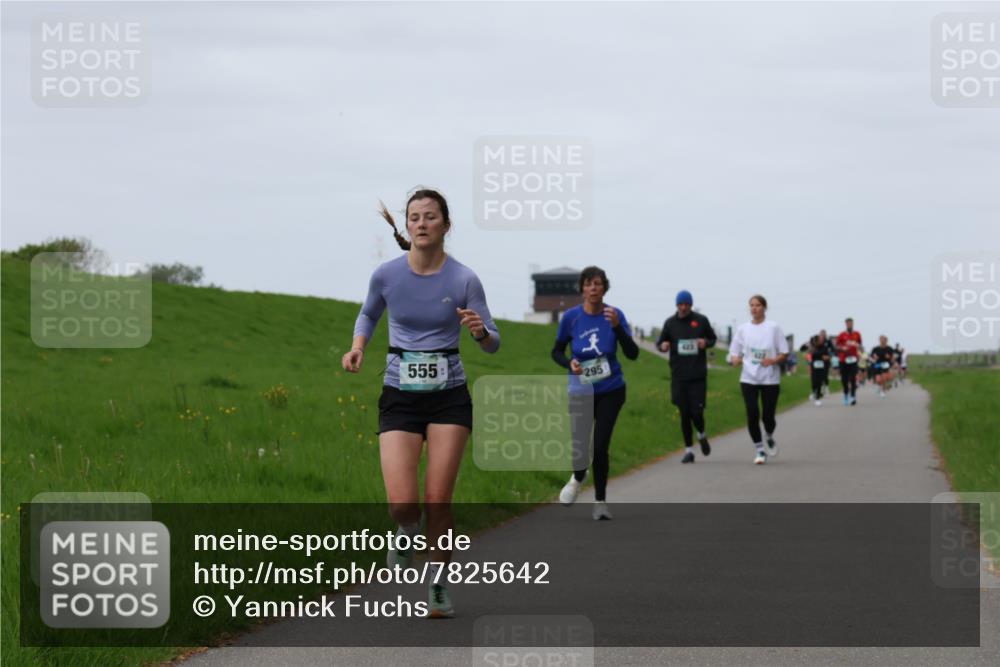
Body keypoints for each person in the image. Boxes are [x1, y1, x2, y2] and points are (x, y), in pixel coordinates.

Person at [343, 189, 501, 619]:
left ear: (446, 225)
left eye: (431, 216)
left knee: (438, 500)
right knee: (403, 504)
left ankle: (438, 584)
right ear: (407, 225)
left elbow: (493, 342)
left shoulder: (464, 279)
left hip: (449, 397)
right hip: (400, 396)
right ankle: (407, 529)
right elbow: (369, 314)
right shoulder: (387, 275)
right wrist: (358, 347)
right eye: (414, 217)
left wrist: (479, 332)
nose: (422, 223)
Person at [553, 266, 639, 519]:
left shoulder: (614, 315)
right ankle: (578, 476)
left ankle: (600, 502)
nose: (593, 288)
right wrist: (569, 362)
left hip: (611, 389)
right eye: (589, 284)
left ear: (604, 288)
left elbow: (633, 354)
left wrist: (617, 327)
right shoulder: (571, 318)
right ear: (582, 288)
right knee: (580, 447)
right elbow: (556, 351)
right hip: (580, 390)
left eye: (598, 284)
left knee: (600, 447)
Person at [656, 290, 718, 464]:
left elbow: (713, 338)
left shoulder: (701, 320)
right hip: (678, 375)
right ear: (676, 305)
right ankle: (689, 450)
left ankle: (701, 434)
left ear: (691, 305)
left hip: (697, 375)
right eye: (680, 304)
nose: (683, 307)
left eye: (686, 304)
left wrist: (705, 343)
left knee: (696, 412)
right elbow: (659, 343)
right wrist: (663, 346)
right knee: (684, 413)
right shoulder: (670, 323)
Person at [728, 295, 789, 465]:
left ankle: (768, 435)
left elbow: (784, 352)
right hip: (748, 378)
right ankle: (760, 450)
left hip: (770, 378)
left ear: (764, 308)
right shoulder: (743, 329)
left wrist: (773, 360)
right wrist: (734, 358)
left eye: (758, 305)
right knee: (752, 413)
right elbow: (734, 351)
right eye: (752, 305)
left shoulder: (773, 327)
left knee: (768, 417)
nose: (754, 308)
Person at [835, 318, 863, 406]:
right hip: (843, 360)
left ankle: (853, 396)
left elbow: (860, 345)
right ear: (846, 324)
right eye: (848, 324)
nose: (849, 325)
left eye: (851, 323)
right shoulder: (841, 335)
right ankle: (846, 395)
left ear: (853, 324)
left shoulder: (857, 334)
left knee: (852, 378)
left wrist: (858, 347)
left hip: (854, 359)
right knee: (844, 379)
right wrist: (842, 348)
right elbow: (836, 346)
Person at [808, 335, 832, 406]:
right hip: (814, 367)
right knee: (814, 382)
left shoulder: (824, 347)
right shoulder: (813, 347)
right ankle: (813, 391)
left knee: (819, 382)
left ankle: (817, 398)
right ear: (816, 341)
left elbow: (828, 356)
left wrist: (825, 357)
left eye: (822, 340)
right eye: (819, 340)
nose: (821, 341)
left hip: (822, 367)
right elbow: (811, 354)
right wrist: (821, 356)